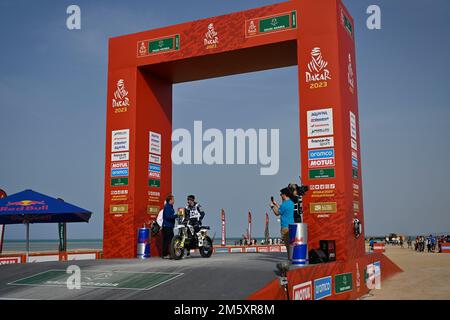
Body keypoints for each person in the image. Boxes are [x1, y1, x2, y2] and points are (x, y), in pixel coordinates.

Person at [270, 187, 295, 260]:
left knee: (288, 245)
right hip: (291, 225)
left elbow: (277, 213)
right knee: (291, 244)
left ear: (284, 195)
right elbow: (282, 209)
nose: (280, 195)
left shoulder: (284, 204)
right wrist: (276, 204)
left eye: (281, 194)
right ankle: (291, 258)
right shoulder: (291, 203)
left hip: (285, 226)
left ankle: (290, 259)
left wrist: (272, 206)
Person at [161, 194, 178, 259]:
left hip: (169, 226)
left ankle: (166, 254)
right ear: (170, 200)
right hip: (167, 226)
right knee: (170, 241)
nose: (174, 201)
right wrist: (176, 216)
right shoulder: (167, 207)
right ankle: (167, 254)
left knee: (168, 241)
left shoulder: (170, 207)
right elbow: (167, 216)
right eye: (173, 199)